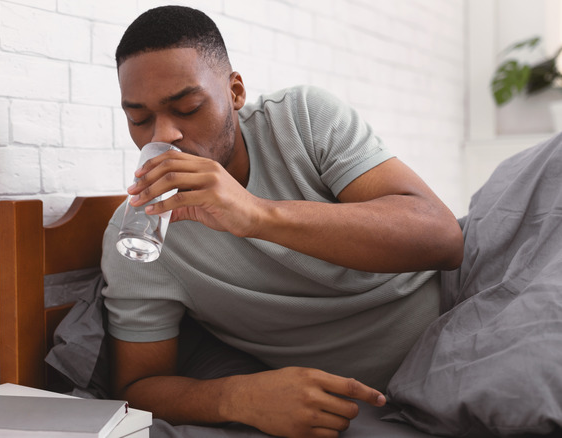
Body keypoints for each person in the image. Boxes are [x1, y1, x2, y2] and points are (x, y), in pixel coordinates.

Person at [100, 5, 463, 438]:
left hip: (462, 318)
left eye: (189, 107)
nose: (162, 136)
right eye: (139, 119)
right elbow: (138, 389)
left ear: (235, 92)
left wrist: (257, 215)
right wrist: (236, 397)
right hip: (372, 400)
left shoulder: (301, 120)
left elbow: (443, 238)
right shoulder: (139, 237)